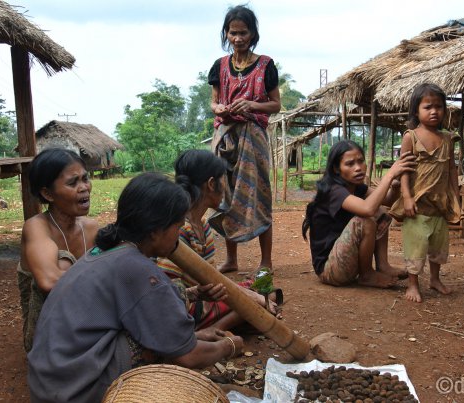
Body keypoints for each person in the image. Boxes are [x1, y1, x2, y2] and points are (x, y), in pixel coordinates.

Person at [27, 173, 244, 403]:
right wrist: (229, 346)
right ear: (154, 230)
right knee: (153, 348)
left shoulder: (106, 250)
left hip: (49, 382)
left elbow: (141, 304)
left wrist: (193, 300)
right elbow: (188, 357)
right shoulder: (135, 267)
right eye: (177, 226)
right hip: (76, 390)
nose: (178, 236)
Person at [158, 149, 279, 331]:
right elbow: (167, 291)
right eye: (223, 181)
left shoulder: (203, 226)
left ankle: (246, 313)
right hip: (187, 309)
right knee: (262, 298)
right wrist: (250, 297)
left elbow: (212, 280)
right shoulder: (179, 229)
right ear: (211, 184)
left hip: (205, 300)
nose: (226, 188)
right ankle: (215, 329)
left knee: (263, 289)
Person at [208, 4, 280, 273]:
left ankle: (266, 261)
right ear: (226, 33)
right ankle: (232, 259)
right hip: (226, 136)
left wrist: (251, 105)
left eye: (243, 33)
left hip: (254, 139)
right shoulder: (220, 66)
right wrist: (220, 109)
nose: (237, 38)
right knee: (225, 194)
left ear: (253, 34)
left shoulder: (266, 65)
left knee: (260, 195)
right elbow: (214, 102)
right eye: (232, 32)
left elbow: (275, 105)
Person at [302, 140, 416, 288]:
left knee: (381, 212)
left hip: (347, 260)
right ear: (337, 169)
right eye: (350, 164)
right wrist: (389, 176)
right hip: (331, 269)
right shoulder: (333, 190)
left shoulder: (356, 186)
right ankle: (367, 274)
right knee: (364, 221)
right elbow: (367, 209)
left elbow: (386, 200)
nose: (358, 168)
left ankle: (383, 265)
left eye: (361, 161)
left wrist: (394, 186)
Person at [17, 148, 98, 352]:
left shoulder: (91, 227)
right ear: (47, 193)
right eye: (73, 183)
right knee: (64, 260)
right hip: (44, 335)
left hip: (86, 322)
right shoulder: (36, 227)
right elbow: (49, 280)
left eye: (85, 179)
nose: (84, 188)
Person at [388, 83, 461, 303]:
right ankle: (413, 283)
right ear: (416, 110)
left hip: (439, 204)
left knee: (438, 246)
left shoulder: (447, 138)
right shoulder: (411, 137)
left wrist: (456, 197)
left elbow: (451, 170)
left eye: (439, 106)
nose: (434, 111)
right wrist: (407, 197)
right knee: (416, 245)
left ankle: (435, 279)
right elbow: (404, 171)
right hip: (417, 205)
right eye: (428, 106)